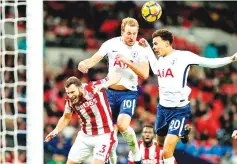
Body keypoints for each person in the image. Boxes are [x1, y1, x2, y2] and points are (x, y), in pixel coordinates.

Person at [139, 29, 237, 164]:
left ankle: (180, 132)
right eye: (153, 44)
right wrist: (147, 50)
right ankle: (182, 132)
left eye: (156, 44)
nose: (154, 47)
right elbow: (155, 68)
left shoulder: (183, 56)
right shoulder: (161, 60)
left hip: (178, 109)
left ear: (167, 43)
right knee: (160, 144)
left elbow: (208, 62)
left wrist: (231, 59)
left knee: (167, 150)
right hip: (162, 109)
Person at [78, 17, 152, 163]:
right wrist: (83, 63)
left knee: (123, 125)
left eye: (135, 34)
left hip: (128, 93)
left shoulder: (140, 49)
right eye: (129, 33)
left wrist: (128, 62)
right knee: (109, 133)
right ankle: (113, 160)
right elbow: (92, 61)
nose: (132, 37)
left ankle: (135, 151)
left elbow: (144, 74)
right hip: (109, 93)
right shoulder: (110, 44)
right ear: (122, 32)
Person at [45, 72, 122, 164]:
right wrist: (56, 130)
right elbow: (66, 117)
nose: (70, 95)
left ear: (81, 88)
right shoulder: (70, 100)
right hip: (85, 137)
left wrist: (105, 85)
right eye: (68, 93)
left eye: (73, 92)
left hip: (104, 136)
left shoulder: (93, 87)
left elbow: (117, 75)